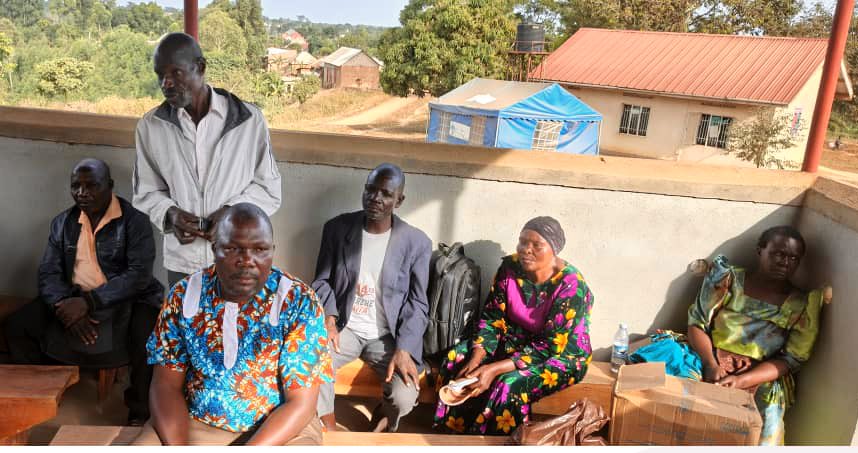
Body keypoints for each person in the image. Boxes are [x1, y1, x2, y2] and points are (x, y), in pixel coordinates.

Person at [132, 203, 332, 446]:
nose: (247, 261)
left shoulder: (298, 302)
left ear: (272, 251)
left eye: (260, 249)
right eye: (233, 248)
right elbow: (165, 385)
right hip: (196, 422)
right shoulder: (183, 297)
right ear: (215, 249)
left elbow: (300, 403)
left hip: (280, 428)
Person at [4, 158, 163, 425]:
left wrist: (89, 302)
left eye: (91, 185)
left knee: (148, 338)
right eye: (76, 185)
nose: (82, 192)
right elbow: (49, 273)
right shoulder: (62, 223)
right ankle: (43, 392)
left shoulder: (134, 222)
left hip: (128, 297)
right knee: (17, 326)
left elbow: (138, 276)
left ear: (109, 186)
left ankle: (139, 412)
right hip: (73, 297)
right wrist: (66, 307)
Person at [630, 226, 824, 445]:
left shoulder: (802, 305)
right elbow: (697, 324)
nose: (785, 262)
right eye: (778, 253)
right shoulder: (728, 279)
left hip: (758, 375)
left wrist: (742, 380)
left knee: (764, 424)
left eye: (793, 258)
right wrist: (711, 365)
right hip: (707, 356)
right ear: (760, 250)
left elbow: (790, 360)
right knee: (664, 385)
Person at [133, 32, 281, 288]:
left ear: (200, 68)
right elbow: (146, 191)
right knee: (186, 326)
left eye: (175, 73)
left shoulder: (247, 120)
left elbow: (269, 189)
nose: (166, 83)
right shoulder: (151, 126)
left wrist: (231, 213)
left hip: (238, 260)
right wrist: (170, 215)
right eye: (160, 75)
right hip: (183, 262)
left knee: (236, 327)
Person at [432, 216, 594, 435]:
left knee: (509, 384)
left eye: (537, 245)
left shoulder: (571, 286)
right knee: (456, 359)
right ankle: (449, 436)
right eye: (523, 242)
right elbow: (491, 317)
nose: (526, 250)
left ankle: (493, 441)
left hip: (561, 356)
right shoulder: (510, 267)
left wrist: (494, 368)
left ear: (554, 249)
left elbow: (549, 347)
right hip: (514, 342)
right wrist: (477, 358)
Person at [312, 163, 431, 433]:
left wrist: (405, 349)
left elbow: (418, 302)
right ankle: (328, 428)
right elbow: (321, 281)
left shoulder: (416, 243)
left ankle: (385, 417)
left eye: (386, 194)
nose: (375, 198)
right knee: (312, 362)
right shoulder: (337, 229)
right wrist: (329, 319)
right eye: (370, 190)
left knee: (404, 396)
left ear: (399, 200)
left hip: (388, 337)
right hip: (346, 329)